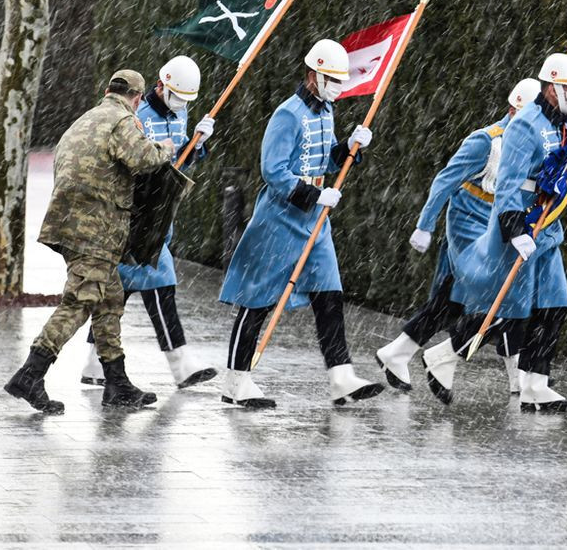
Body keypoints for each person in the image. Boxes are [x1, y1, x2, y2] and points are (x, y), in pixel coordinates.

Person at [424, 53, 567, 412]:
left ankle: (536, 384)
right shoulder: (525, 125)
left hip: (547, 226)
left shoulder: (564, 123)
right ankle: (443, 355)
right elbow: (508, 184)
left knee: (554, 306)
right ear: (550, 87)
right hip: (523, 223)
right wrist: (515, 228)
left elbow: (562, 164)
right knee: (507, 311)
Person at [217, 39, 382, 409]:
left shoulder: (326, 113)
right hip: (280, 219)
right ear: (312, 75)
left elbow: (325, 163)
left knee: (329, 295)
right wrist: (312, 194)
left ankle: (341, 377)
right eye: (331, 79)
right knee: (257, 299)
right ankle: (236, 380)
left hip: (315, 221)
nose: (337, 86)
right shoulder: (288, 114)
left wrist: (350, 149)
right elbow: (273, 170)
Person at [5, 70, 174, 413]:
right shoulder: (122, 120)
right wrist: (166, 148)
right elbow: (143, 159)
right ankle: (30, 374)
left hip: (71, 226)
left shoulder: (83, 121)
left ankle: (117, 383)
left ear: (107, 90)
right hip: (97, 230)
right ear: (138, 98)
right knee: (80, 301)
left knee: (110, 299)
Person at [375, 77, 541, 395]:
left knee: (451, 301)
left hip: (500, 225)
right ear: (512, 109)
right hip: (469, 223)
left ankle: (397, 353)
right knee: (497, 294)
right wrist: (425, 224)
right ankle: (508, 376)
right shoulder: (485, 141)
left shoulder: (533, 144)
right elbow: (445, 180)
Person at [80, 55, 218, 390]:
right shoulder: (137, 116)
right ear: (161, 86)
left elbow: (179, 161)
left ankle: (94, 364)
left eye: (186, 100)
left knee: (119, 292)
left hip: (159, 213)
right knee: (160, 283)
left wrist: (197, 145)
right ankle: (180, 364)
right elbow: (134, 161)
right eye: (176, 97)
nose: (180, 105)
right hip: (138, 214)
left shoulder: (181, 111)